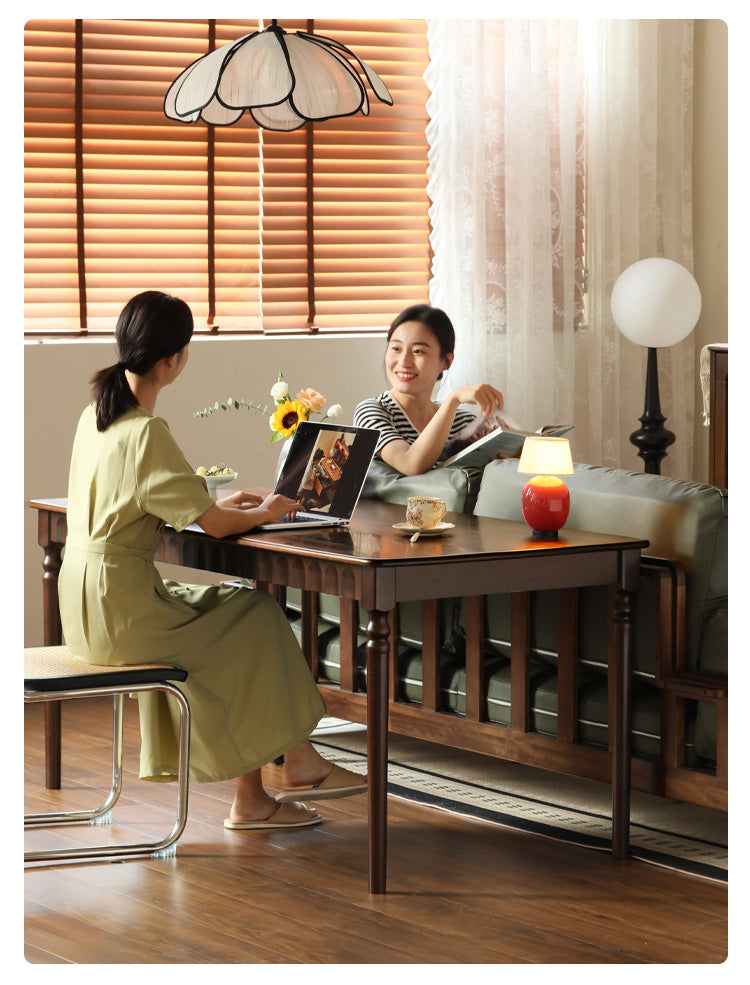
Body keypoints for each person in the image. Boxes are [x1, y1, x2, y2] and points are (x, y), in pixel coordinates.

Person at [58, 291, 367, 832]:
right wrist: (267, 508)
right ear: (174, 359)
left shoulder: (97, 417)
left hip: (86, 602)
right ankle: (295, 763)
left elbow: (151, 501)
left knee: (241, 618)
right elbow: (216, 527)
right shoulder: (146, 431)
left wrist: (219, 504)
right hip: (124, 610)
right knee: (255, 617)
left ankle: (257, 795)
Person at [353, 304, 505, 475]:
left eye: (418, 351)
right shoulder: (372, 411)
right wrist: (453, 398)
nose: (404, 361)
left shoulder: (463, 423)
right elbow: (411, 465)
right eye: (396, 348)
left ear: (446, 361)